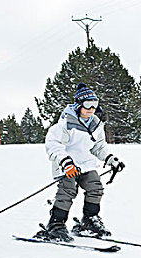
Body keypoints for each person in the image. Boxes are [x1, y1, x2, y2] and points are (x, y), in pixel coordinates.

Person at [34, 83, 125, 242]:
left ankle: (89, 220)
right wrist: (66, 162)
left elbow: (98, 147)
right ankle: (56, 224)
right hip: (67, 165)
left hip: (86, 163)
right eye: (88, 104)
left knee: (95, 188)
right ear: (78, 105)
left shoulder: (95, 124)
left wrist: (111, 159)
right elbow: (53, 145)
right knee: (67, 191)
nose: (91, 109)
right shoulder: (65, 123)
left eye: (95, 105)